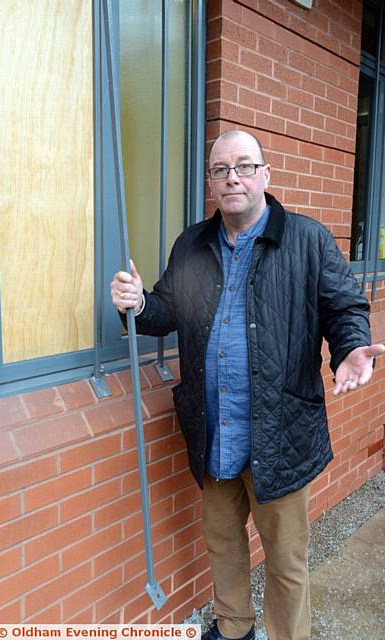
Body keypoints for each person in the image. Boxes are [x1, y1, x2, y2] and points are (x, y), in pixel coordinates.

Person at [110, 130, 385, 640]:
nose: (231, 177)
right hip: (214, 429)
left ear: (265, 174)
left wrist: (351, 347)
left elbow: (344, 306)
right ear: (212, 182)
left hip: (279, 434)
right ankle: (234, 625)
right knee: (223, 542)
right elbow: (168, 308)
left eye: (242, 166)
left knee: (285, 560)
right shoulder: (191, 244)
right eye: (220, 169)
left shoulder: (307, 239)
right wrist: (138, 304)